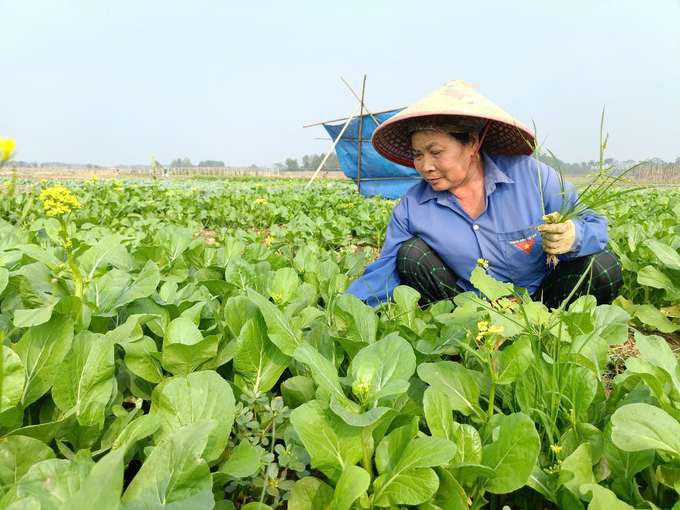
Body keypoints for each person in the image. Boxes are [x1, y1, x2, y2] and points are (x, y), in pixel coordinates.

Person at [346, 80, 622, 309]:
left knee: (603, 266)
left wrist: (574, 234)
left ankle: (549, 334)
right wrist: (348, 310)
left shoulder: (532, 176)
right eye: (418, 155)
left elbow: (594, 226)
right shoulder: (412, 205)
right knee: (410, 255)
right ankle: (466, 336)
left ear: (472, 144)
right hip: (467, 307)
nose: (425, 166)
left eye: (436, 152)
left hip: (543, 301)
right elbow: (387, 267)